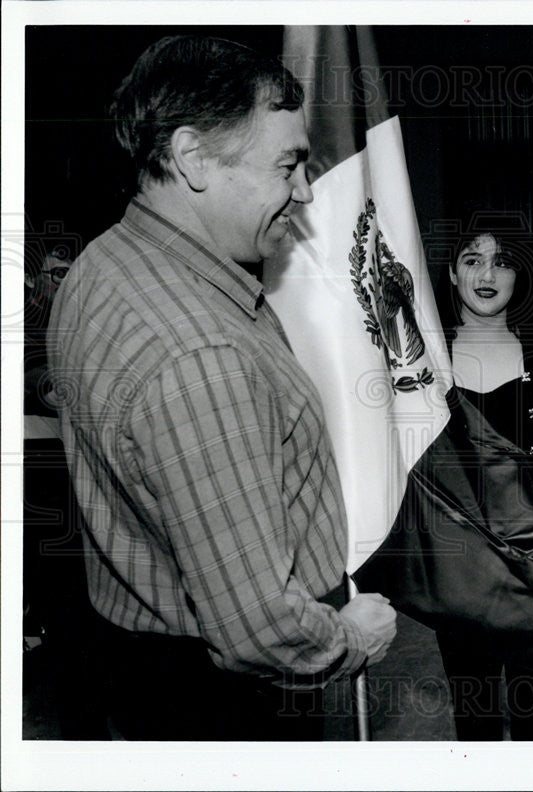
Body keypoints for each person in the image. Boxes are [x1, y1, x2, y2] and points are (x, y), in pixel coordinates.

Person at [46, 35, 396, 741]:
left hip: (135, 660)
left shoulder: (106, 261)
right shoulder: (200, 356)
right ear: (192, 157)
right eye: (289, 164)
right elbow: (258, 632)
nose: (305, 191)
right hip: (227, 704)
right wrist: (352, 637)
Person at [434, 222, 533, 741]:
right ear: (451, 273)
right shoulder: (422, 365)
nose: (487, 274)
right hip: (460, 573)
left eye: (502, 261)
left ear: (522, 274)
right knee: (476, 717)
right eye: (472, 260)